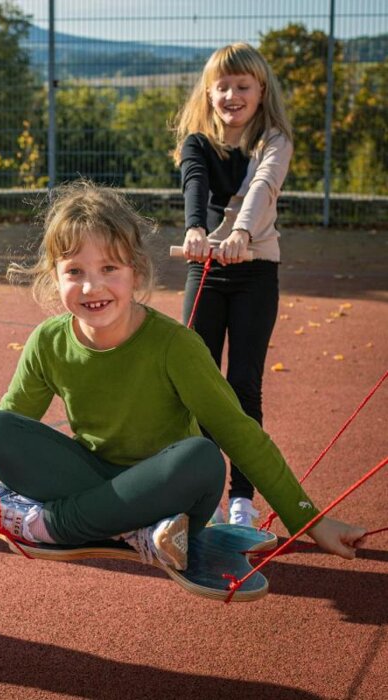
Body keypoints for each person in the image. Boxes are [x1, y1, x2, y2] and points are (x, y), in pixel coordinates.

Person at [0, 180, 365, 571]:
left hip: (168, 490)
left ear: (135, 271)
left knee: (203, 458)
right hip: (96, 479)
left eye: (109, 269)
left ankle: (51, 525)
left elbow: (240, 434)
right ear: (54, 278)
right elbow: (15, 412)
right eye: (74, 272)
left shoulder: (175, 345)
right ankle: (132, 532)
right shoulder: (48, 341)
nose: (92, 287)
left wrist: (310, 521)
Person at [171, 43, 293, 527]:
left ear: (261, 92)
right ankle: (200, 492)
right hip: (206, 270)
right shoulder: (197, 141)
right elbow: (194, 181)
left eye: (242, 86)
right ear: (208, 91)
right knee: (195, 382)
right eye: (222, 86)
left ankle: (241, 496)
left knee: (243, 384)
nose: (231, 94)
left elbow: (264, 185)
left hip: (254, 270)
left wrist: (241, 233)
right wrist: (195, 228)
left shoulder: (274, 139)